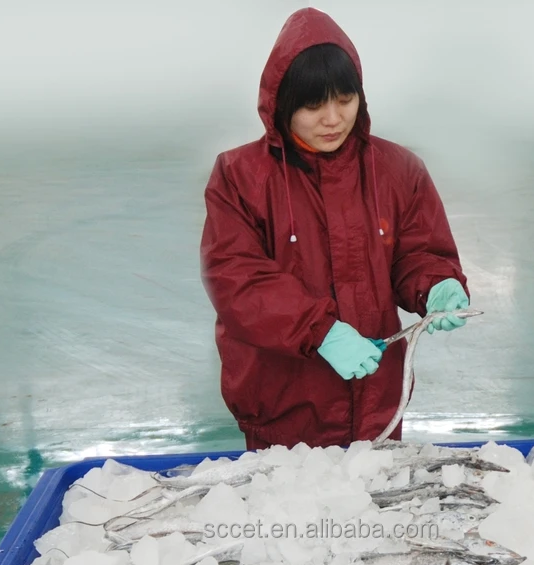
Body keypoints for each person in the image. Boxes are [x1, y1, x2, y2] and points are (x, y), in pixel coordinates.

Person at [200, 7, 470, 451]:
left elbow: (418, 253)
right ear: (282, 102)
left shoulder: (398, 169)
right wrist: (318, 330)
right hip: (282, 404)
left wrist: (436, 285)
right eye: (312, 105)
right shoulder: (238, 176)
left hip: (376, 399)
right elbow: (237, 279)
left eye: (345, 100)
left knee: (369, 513)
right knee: (290, 519)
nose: (332, 119)